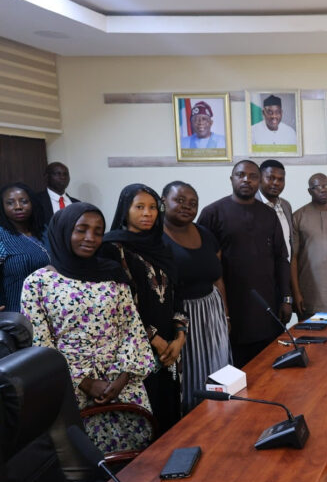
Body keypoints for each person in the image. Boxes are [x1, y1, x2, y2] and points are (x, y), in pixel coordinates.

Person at [20, 203, 155, 453]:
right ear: (63, 231)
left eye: (98, 231)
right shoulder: (38, 283)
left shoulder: (112, 273)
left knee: (136, 462)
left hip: (123, 384)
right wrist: (84, 382)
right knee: (85, 467)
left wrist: (121, 377)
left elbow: (131, 328)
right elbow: (40, 345)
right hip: (69, 388)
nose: (90, 238)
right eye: (81, 230)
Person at [102, 184, 187, 432]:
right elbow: (118, 305)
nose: (147, 213)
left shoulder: (161, 246)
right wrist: (153, 337)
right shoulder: (111, 248)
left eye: (152, 208)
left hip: (170, 344)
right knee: (146, 413)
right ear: (125, 210)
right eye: (139, 207)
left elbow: (176, 292)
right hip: (136, 347)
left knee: (169, 409)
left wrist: (180, 336)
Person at [197, 160, 292, 368]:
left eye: (252, 176)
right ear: (232, 179)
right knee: (235, 370)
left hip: (267, 305)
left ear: (259, 182)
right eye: (240, 175)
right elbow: (202, 263)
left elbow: (281, 258)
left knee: (269, 367)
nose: (246, 180)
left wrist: (286, 297)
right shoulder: (212, 213)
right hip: (230, 307)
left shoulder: (269, 214)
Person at [161, 181, 232, 414]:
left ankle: (219, 420)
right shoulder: (156, 238)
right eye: (179, 200)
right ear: (163, 201)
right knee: (191, 375)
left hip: (212, 312)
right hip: (181, 319)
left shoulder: (205, 234)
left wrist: (226, 315)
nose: (186, 207)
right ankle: (193, 423)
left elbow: (218, 277)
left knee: (217, 369)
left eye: (193, 203)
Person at [291, 173, 327, 316]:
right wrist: (296, 293)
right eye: (318, 187)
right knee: (311, 336)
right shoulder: (298, 217)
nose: (323, 190)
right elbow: (293, 258)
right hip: (309, 292)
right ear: (310, 191)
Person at [0, 182, 50, 313]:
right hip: (15, 313)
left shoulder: (45, 231)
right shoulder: (1, 235)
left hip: (50, 309)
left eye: (24, 201)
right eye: (10, 203)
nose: (18, 207)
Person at [255, 159, 294, 262]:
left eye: (281, 179)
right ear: (259, 179)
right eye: (270, 178)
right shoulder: (250, 204)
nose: (276, 183)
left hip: (284, 270)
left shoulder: (285, 205)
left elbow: (289, 242)